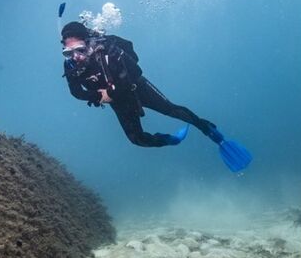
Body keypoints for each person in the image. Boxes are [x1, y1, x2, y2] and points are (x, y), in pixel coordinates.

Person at [60, 21, 252, 172]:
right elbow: (76, 92)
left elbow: (134, 71)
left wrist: (109, 93)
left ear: (89, 43)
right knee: (138, 140)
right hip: (119, 101)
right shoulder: (70, 66)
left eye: (80, 50)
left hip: (137, 88)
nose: (75, 57)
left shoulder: (108, 51)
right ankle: (171, 140)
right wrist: (96, 95)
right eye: (69, 52)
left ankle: (213, 134)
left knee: (173, 110)